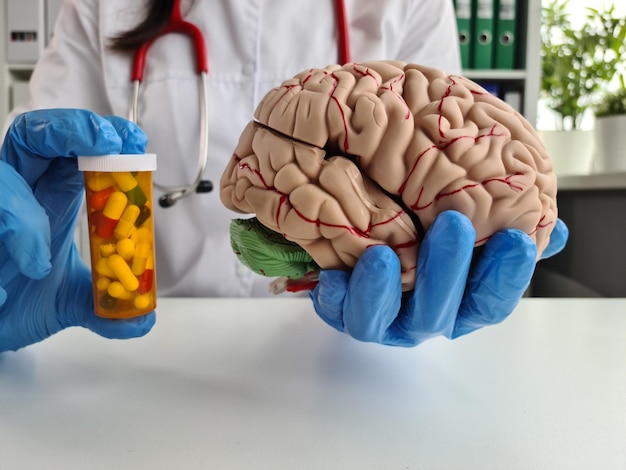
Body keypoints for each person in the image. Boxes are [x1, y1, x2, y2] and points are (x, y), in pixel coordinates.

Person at [0, 0, 568, 352]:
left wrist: (436, 282)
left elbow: (455, 166)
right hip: (156, 357)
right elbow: (34, 144)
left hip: (343, 369)